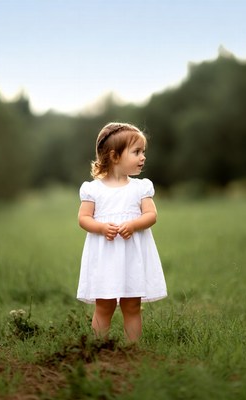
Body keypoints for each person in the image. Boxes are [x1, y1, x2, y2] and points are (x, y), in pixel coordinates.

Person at [77, 122, 167, 342]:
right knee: (104, 305)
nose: (142, 157)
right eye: (136, 152)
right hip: (105, 254)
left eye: (143, 152)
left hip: (131, 256)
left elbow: (151, 215)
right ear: (114, 156)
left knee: (132, 304)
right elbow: (83, 218)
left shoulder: (140, 187)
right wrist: (101, 227)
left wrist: (134, 225)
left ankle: (132, 350)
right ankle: (100, 346)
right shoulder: (93, 189)